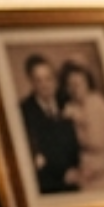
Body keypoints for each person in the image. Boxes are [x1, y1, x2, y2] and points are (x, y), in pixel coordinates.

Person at [18, 54, 80, 194]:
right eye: (39, 80)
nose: (45, 85)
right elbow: (35, 153)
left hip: (79, 174)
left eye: (48, 78)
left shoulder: (67, 100)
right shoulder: (24, 111)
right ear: (31, 83)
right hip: (50, 183)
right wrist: (63, 173)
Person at [61, 60, 104, 190]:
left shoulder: (96, 104)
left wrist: (79, 120)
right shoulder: (73, 107)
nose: (74, 89)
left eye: (78, 84)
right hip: (86, 173)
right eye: (70, 85)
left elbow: (98, 142)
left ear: (87, 83)